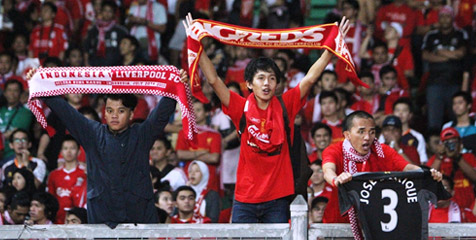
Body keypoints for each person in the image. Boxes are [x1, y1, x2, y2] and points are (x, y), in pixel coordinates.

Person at [183, 13, 351, 223]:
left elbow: (310, 78)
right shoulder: (240, 106)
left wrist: (332, 48)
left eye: (272, 78)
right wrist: (197, 43)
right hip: (245, 198)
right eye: (261, 78)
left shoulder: (285, 104)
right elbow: (214, 80)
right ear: (249, 84)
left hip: (278, 198)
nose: (267, 83)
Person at [35, 69, 184, 228]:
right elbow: (65, 112)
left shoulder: (141, 134)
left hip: (139, 216)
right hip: (103, 217)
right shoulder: (93, 133)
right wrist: (41, 84)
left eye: (121, 111)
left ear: (131, 114)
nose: (114, 116)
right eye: (110, 110)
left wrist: (177, 84)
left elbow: (161, 115)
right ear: (104, 113)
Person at [322, 111, 442, 225]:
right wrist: (336, 179)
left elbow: (407, 167)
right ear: (347, 135)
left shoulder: (382, 151)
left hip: (373, 223)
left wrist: (427, 174)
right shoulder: (335, 150)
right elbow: (328, 170)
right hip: (337, 221)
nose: (367, 137)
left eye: (372, 132)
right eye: (361, 132)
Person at [422, 6, 469, 129]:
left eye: (447, 16)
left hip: (455, 82)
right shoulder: (431, 35)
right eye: (442, 16)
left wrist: (439, 51)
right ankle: (435, 145)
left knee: (457, 119)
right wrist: (450, 56)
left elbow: (461, 53)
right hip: (434, 83)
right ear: (438, 18)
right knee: (434, 120)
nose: (444, 19)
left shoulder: (460, 33)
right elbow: (425, 55)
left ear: (452, 18)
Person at [176, 99, 221, 193]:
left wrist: (190, 155)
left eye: (198, 110)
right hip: (188, 179)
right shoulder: (184, 133)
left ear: (207, 113)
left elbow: (214, 158)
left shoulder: (215, 135)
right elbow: (180, 154)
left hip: (210, 182)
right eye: (192, 110)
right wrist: (201, 152)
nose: (194, 113)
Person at [427, 127, 476, 210]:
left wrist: (458, 157)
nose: (450, 146)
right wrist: (439, 158)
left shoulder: (468, 157)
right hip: (445, 210)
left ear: (460, 143)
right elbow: (427, 179)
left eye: (453, 142)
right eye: (447, 143)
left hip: (467, 208)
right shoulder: (436, 159)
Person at [47, 136, 86, 224]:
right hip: (57, 221)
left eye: (72, 148)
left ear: (79, 151)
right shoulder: (53, 175)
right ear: (61, 152)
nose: (69, 151)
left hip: (78, 221)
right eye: (65, 148)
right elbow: (50, 199)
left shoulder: (84, 173)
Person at [83, 1, 128, 66]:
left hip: (115, 67)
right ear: (101, 12)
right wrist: (87, 64)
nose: (107, 13)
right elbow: (86, 48)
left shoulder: (121, 31)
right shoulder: (93, 30)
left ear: (114, 14)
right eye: (105, 11)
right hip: (96, 67)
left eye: (110, 11)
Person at [0, 80, 33, 160]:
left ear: (21, 94)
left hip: (14, 155)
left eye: (15, 91)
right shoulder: (1, 110)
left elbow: (16, 132)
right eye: (9, 90)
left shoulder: (26, 112)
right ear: (4, 93)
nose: (12, 94)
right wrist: (4, 136)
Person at [392, 97, 428, 164]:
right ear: (393, 113)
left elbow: (422, 162)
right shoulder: (385, 135)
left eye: (404, 110)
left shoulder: (418, 137)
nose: (400, 113)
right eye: (397, 110)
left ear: (410, 115)